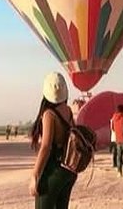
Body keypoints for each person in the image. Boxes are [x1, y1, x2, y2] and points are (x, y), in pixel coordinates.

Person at [28, 72, 77, 208]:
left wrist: (35, 176)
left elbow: (46, 147)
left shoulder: (49, 114)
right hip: (68, 170)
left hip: (53, 171)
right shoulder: (68, 111)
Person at [110, 105, 123, 177]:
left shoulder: (114, 117)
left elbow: (113, 128)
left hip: (117, 139)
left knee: (119, 156)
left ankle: (119, 172)